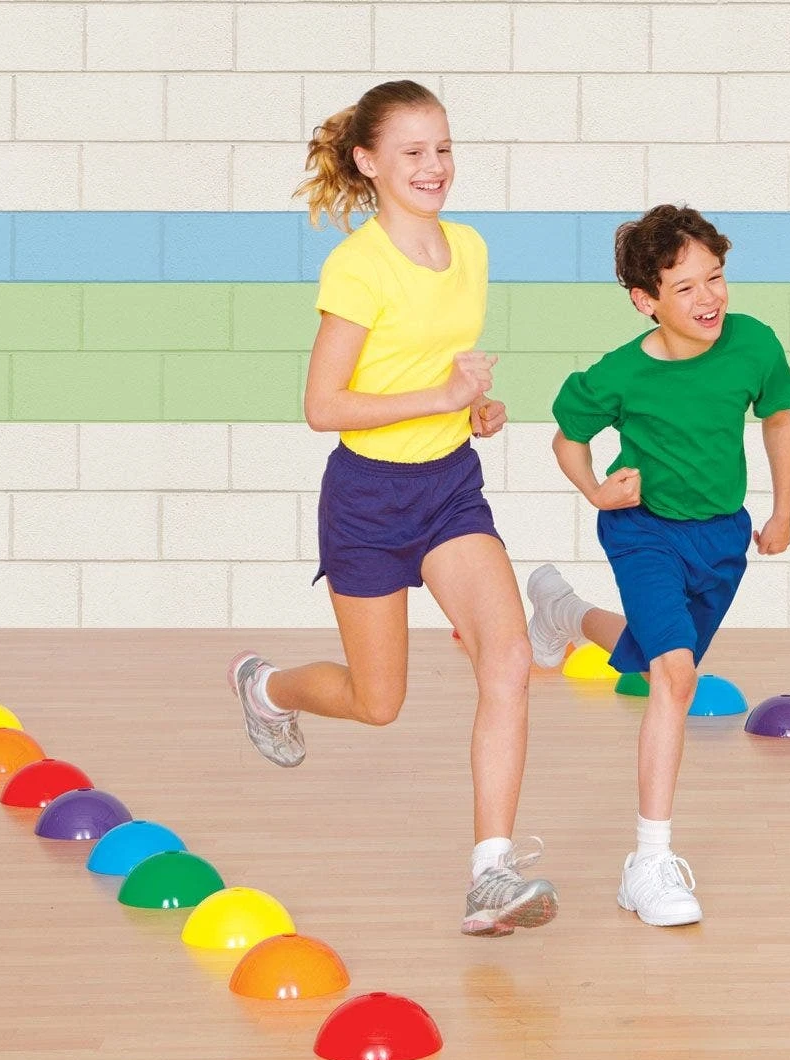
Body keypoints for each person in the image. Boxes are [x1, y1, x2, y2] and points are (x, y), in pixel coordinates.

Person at [226, 80, 557, 938]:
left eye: (443, 148)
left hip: (448, 487)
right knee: (379, 704)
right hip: (369, 501)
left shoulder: (473, 250)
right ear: (369, 163)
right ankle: (266, 686)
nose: (434, 166)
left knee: (510, 657)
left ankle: (491, 874)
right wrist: (439, 391)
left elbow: (441, 376)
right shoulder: (358, 265)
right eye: (413, 152)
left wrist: (474, 408)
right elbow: (324, 406)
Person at [526, 204, 790, 927]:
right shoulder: (620, 373)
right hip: (642, 531)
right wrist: (594, 489)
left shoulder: (754, 346)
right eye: (685, 288)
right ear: (646, 300)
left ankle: (559, 609)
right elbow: (566, 439)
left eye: (716, 278)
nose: (709, 298)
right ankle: (648, 862)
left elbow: (777, 418)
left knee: (656, 667)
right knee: (676, 676)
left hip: (722, 538)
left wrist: (783, 510)